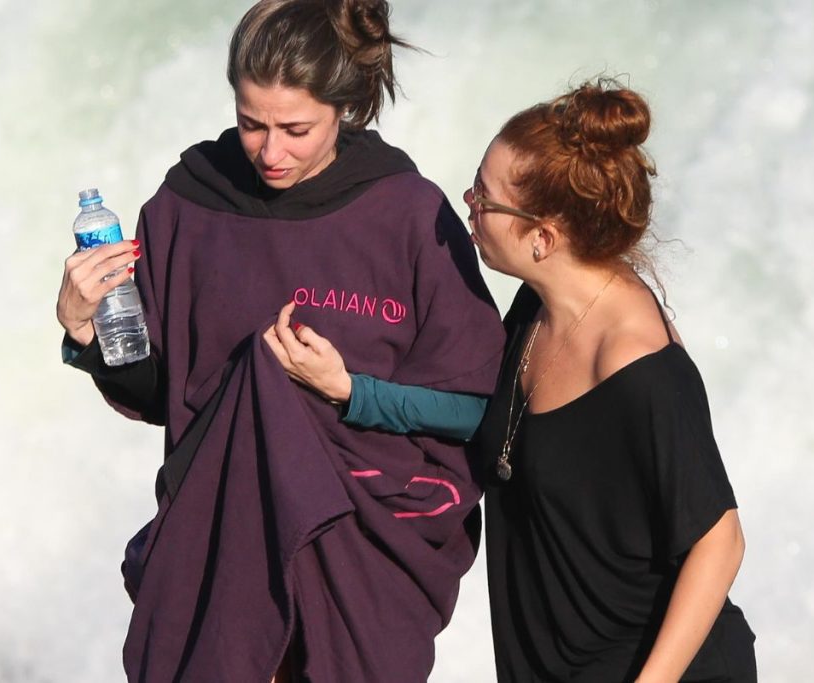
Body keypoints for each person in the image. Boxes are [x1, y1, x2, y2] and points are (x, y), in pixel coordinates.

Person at [55, 1, 504, 681]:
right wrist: (86, 331)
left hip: (366, 552)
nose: (270, 151)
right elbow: (160, 394)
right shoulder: (186, 207)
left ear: (345, 106)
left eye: (296, 129)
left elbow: (476, 406)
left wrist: (351, 393)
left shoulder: (410, 215)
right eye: (251, 124)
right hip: (221, 544)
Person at [272, 79, 757, 682]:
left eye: (486, 200)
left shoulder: (639, 366)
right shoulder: (538, 310)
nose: (468, 204)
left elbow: (720, 542)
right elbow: (493, 420)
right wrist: (350, 391)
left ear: (543, 237)